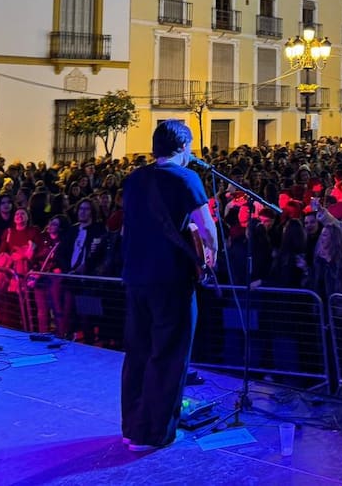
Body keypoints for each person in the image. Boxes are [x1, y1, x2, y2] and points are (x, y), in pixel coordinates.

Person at [119, 119, 216, 452]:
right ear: (185, 146)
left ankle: (132, 428)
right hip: (171, 280)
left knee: (138, 353)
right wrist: (209, 257)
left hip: (135, 277)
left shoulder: (134, 180)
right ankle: (156, 433)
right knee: (169, 355)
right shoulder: (187, 178)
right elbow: (207, 227)